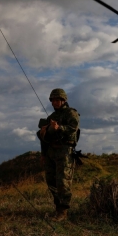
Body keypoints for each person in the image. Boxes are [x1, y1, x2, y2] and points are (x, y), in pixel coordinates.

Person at [37, 88, 80, 222]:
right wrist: (43, 153)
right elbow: (44, 139)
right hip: (51, 151)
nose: (55, 102)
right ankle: (58, 207)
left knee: (63, 182)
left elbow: (73, 128)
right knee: (51, 181)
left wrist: (59, 128)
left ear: (63, 100)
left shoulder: (71, 113)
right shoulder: (51, 117)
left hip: (65, 151)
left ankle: (63, 211)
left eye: (57, 100)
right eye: (53, 100)